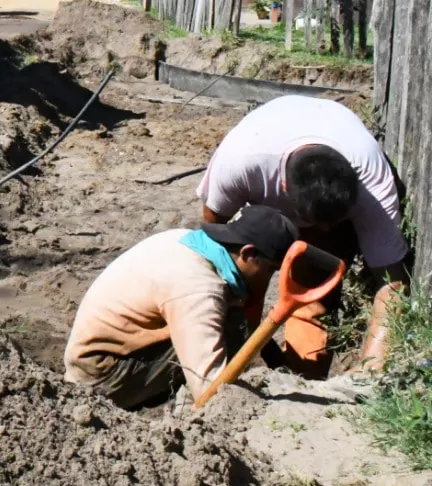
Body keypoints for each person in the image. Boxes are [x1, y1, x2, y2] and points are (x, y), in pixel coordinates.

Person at [196, 94, 409, 377]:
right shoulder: (241, 162)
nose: (325, 230)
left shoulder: (371, 182)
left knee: (312, 302)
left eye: (333, 222)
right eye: (317, 222)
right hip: (263, 203)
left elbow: (392, 282)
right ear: (284, 189)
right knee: (237, 290)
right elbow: (212, 230)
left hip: (327, 177)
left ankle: (304, 381)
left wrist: (372, 370)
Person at [64, 205, 297, 410]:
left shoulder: (186, 240)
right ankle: (185, 417)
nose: (270, 279)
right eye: (270, 269)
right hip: (100, 378)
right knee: (235, 327)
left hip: (98, 353)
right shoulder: (198, 288)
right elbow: (210, 390)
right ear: (248, 253)